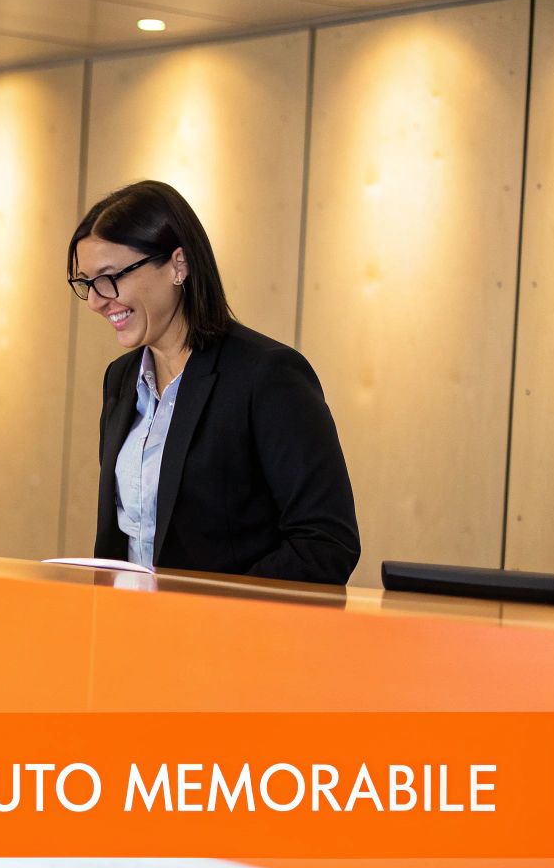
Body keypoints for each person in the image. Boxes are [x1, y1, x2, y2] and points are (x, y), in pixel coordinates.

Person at [66, 180, 359, 584]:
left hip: (229, 638)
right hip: (131, 635)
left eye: (110, 277)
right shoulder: (120, 379)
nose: (97, 300)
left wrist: (219, 613)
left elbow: (325, 544)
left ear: (177, 265)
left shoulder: (268, 375)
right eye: (86, 283)